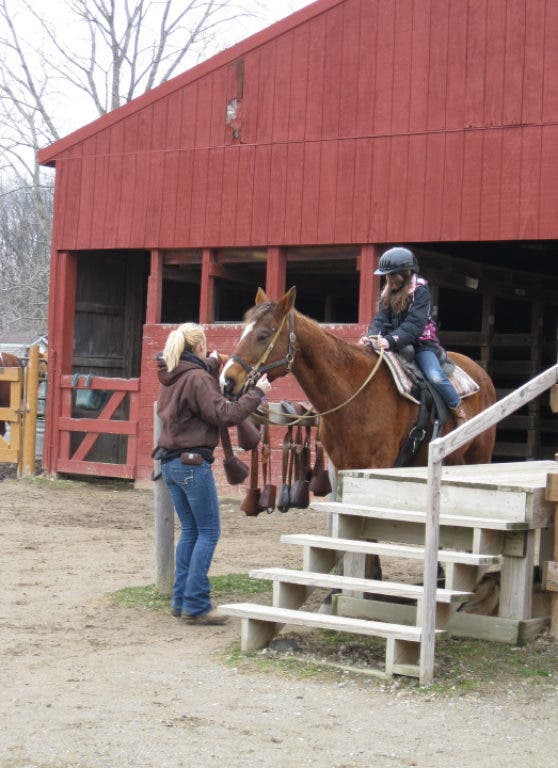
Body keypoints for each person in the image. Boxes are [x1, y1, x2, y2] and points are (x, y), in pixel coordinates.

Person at [155, 322, 272, 625]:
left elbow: (196, 377)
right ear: (199, 347)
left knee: (191, 532)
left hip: (170, 464)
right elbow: (225, 414)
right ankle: (196, 604)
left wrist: (212, 362)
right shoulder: (197, 379)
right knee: (207, 532)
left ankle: (182, 600)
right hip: (193, 464)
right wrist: (258, 392)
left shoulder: (171, 375)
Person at [361, 246, 467, 426]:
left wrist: (389, 340)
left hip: (421, 344)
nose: (388, 280)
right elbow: (381, 317)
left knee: (435, 376)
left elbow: (414, 325)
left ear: (406, 273)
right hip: (394, 343)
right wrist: (371, 337)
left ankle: (459, 411)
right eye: (386, 276)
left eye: (392, 275)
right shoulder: (389, 291)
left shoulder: (421, 291)